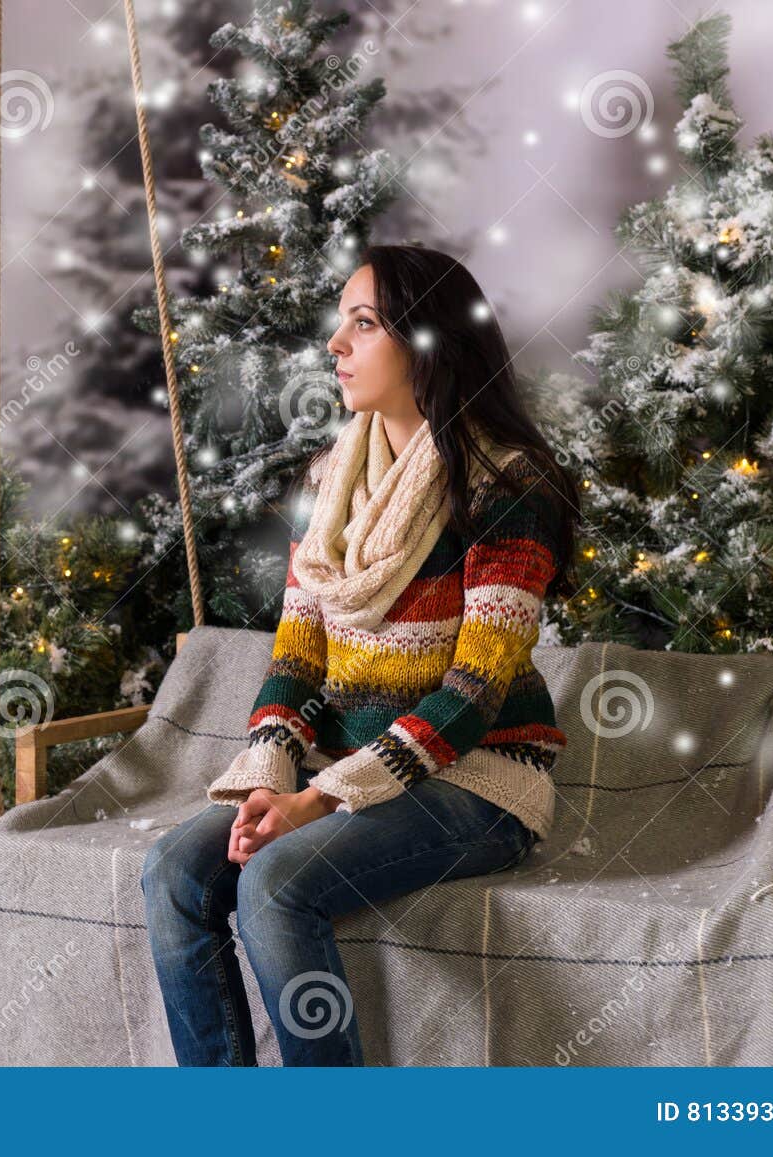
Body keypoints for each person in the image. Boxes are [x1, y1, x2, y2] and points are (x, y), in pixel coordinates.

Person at [140, 244, 581, 1066]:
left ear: (429, 341)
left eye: (364, 323)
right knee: (173, 869)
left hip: (480, 777)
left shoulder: (508, 484)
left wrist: (321, 802)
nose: (335, 344)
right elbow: (298, 652)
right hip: (352, 771)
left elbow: (476, 688)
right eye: (340, 323)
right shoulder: (333, 478)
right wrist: (273, 770)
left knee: (273, 886)